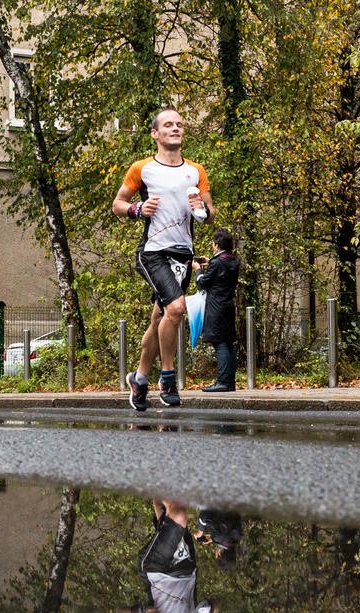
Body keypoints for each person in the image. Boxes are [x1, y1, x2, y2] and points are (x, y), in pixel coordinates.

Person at [113, 108, 216, 410]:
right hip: (153, 252)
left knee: (161, 318)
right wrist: (137, 209)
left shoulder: (196, 171)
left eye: (179, 125)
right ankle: (168, 378)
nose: (175, 129)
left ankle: (140, 377)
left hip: (183, 254)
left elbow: (210, 216)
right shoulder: (142, 169)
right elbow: (118, 203)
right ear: (155, 134)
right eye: (168, 125)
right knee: (177, 307)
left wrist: (202, 207)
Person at [193, 228, 240, 392]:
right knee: (228, 343)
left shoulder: (218, 262)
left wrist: (197, 270)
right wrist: (210, 262)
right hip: (228, 305)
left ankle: (222, 382)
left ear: (217, 244)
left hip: (216, 307)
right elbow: (219, 273)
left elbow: (202, 283)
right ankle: (230, 382)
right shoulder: (233, 260)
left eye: (213, 244)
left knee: (219, 343)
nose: (212, 247)